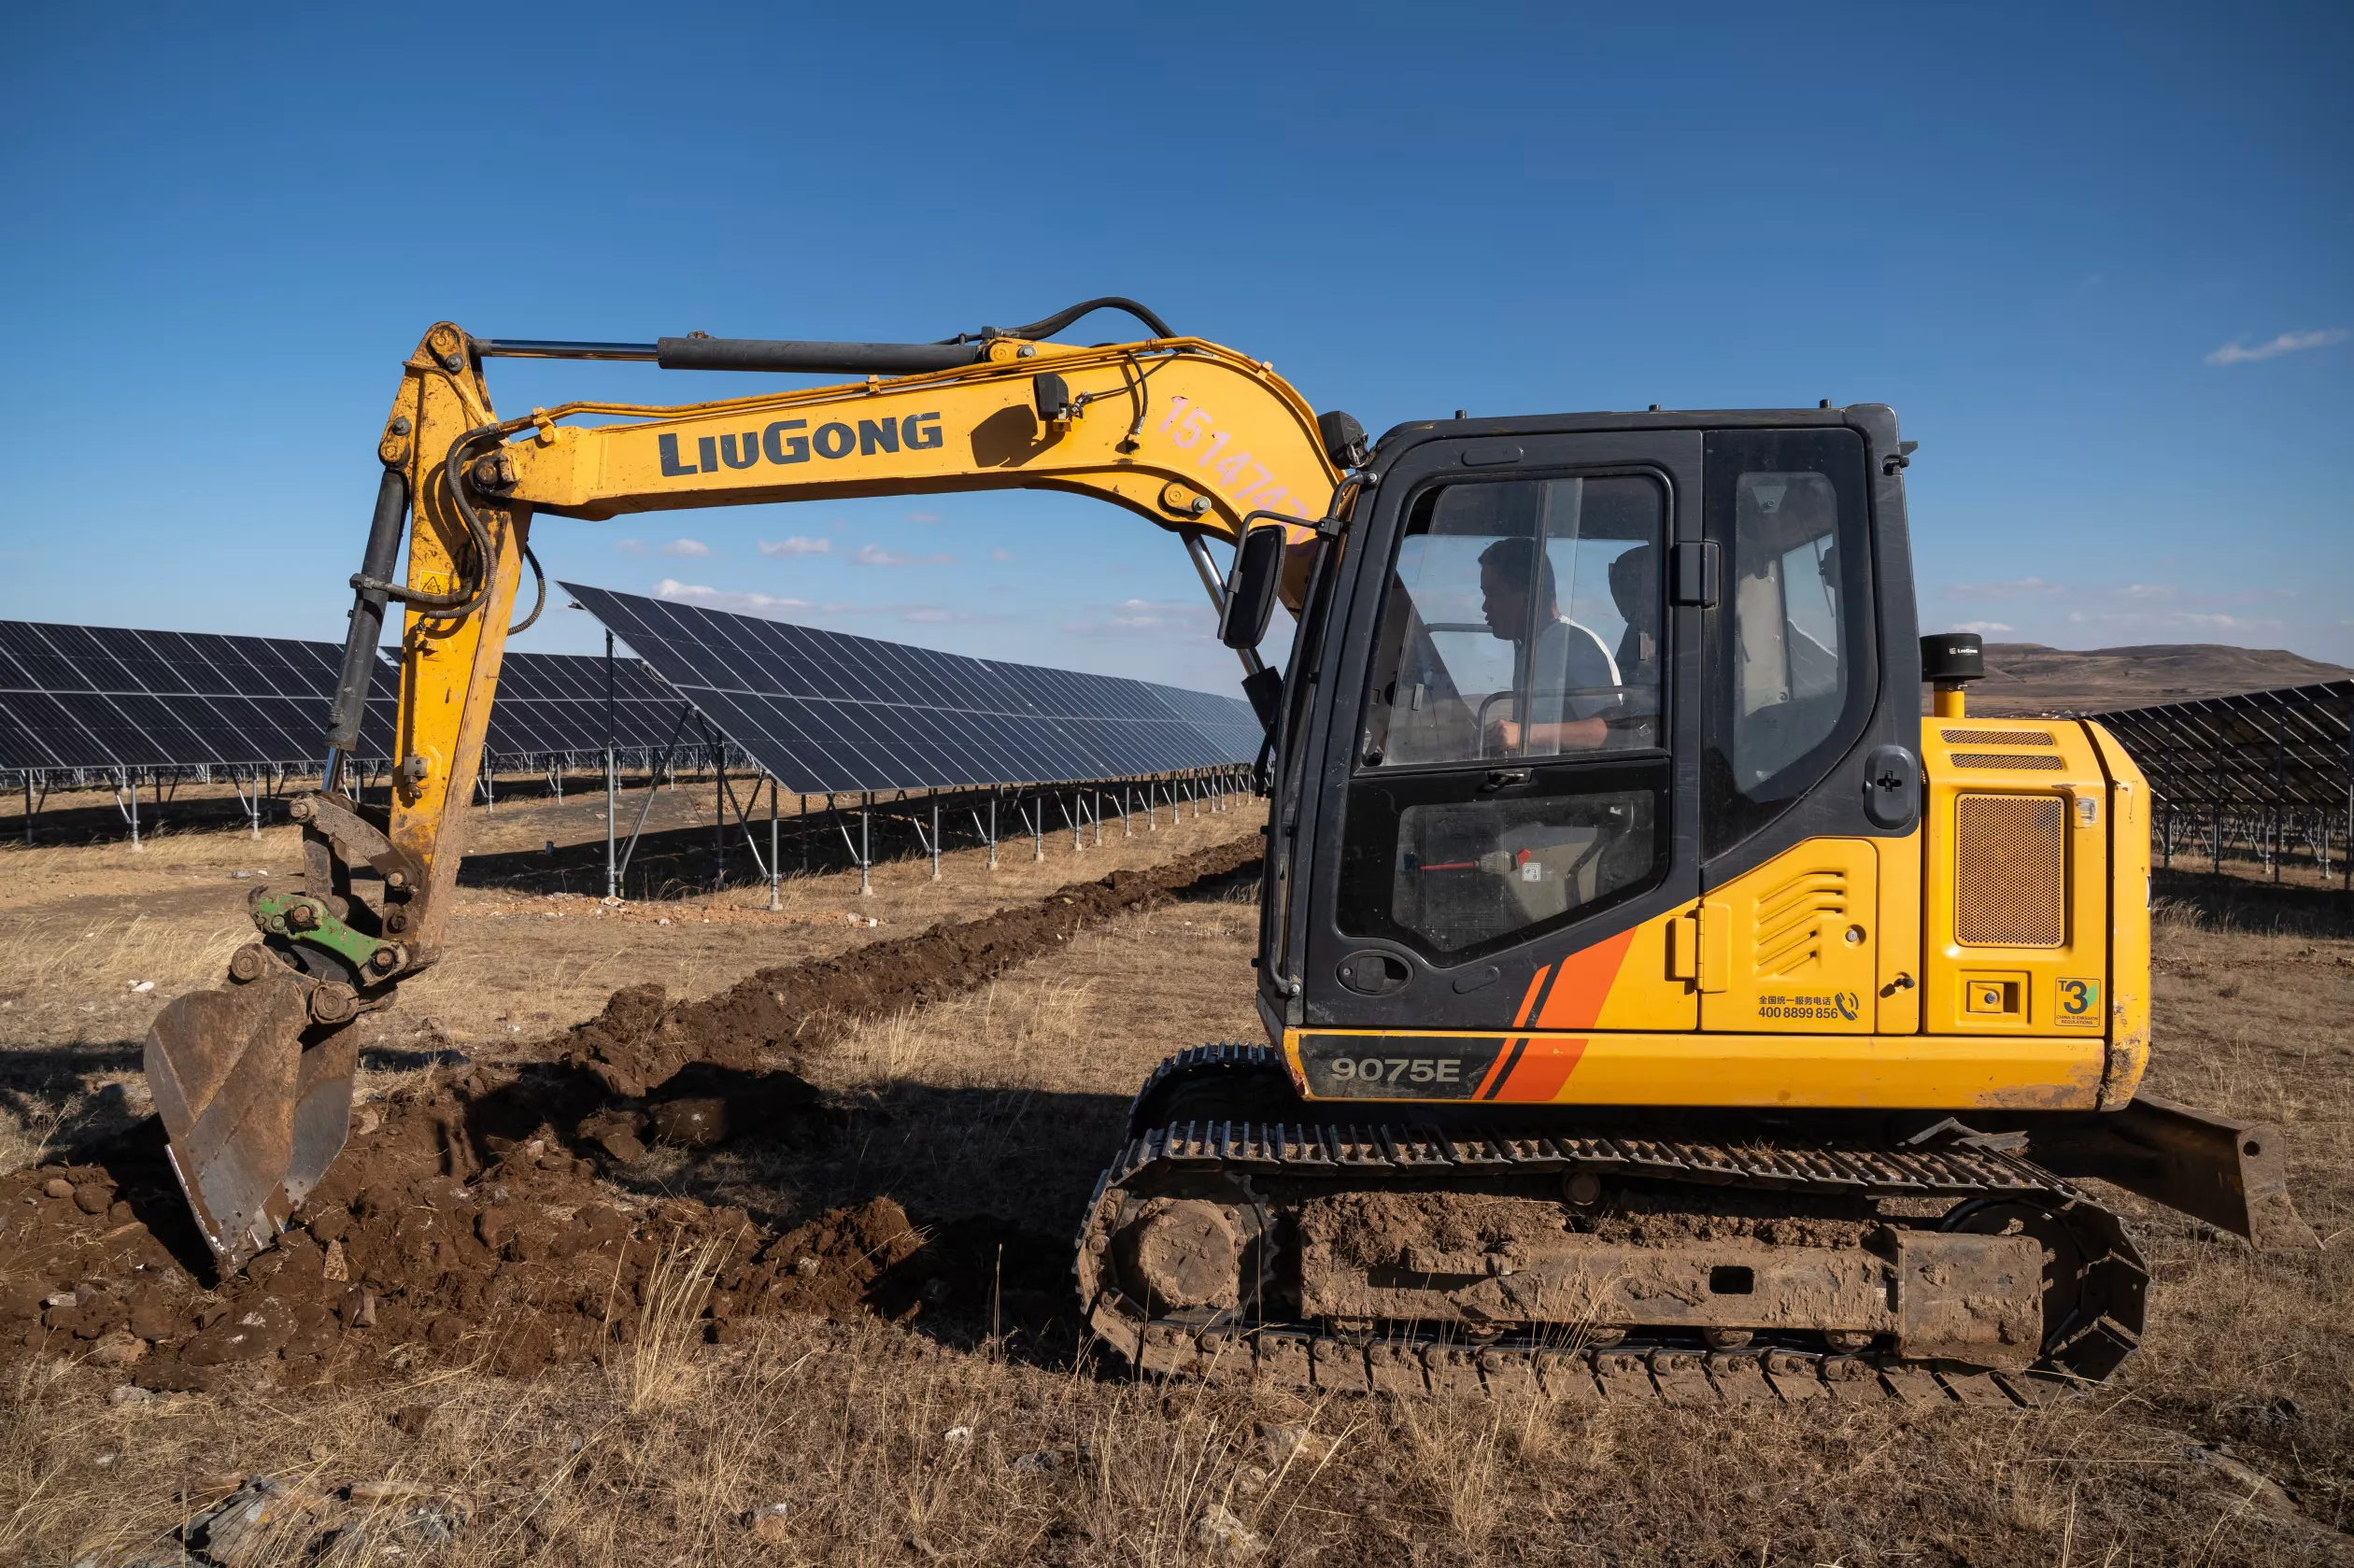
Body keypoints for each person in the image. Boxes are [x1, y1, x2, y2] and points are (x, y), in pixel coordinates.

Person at [1476, 537, 1622, 756]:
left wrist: (1524, 734)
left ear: (1526, 596)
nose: (1484, 606)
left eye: (1492, 594)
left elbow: (1610, 731)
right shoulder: (1528, 645)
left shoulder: (1573, 645)